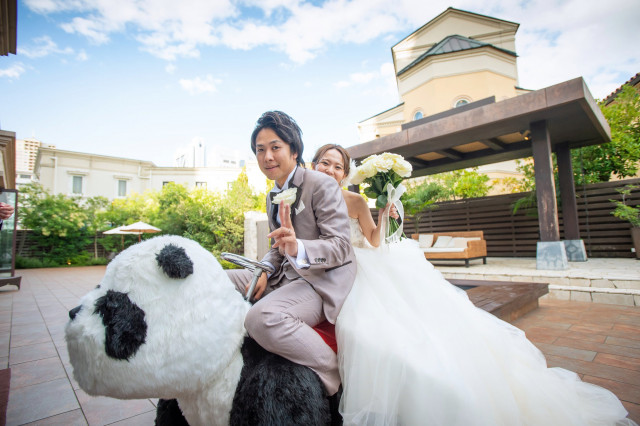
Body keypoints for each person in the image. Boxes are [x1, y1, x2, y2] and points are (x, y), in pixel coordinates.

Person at [312, 144, 636, 426]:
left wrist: (385, 215)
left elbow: (372, 239)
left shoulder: (354, 200)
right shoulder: (305, 198)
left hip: (361, 264)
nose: (330, 169)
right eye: (325, 162)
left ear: (344, 174)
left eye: (337, 166)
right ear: (314, 165)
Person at [226, 112, 356, 399]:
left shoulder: (320, 184)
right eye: (260, 150)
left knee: (261, 318)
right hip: (283, 276)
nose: (267, 156)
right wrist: (263, 269)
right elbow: (277, 246)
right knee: (215, 279)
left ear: (294, 151)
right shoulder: (272, 195)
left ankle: (332, 370)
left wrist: (299, 248)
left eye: (275, 147)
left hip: (320, 281)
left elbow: (341, 246)